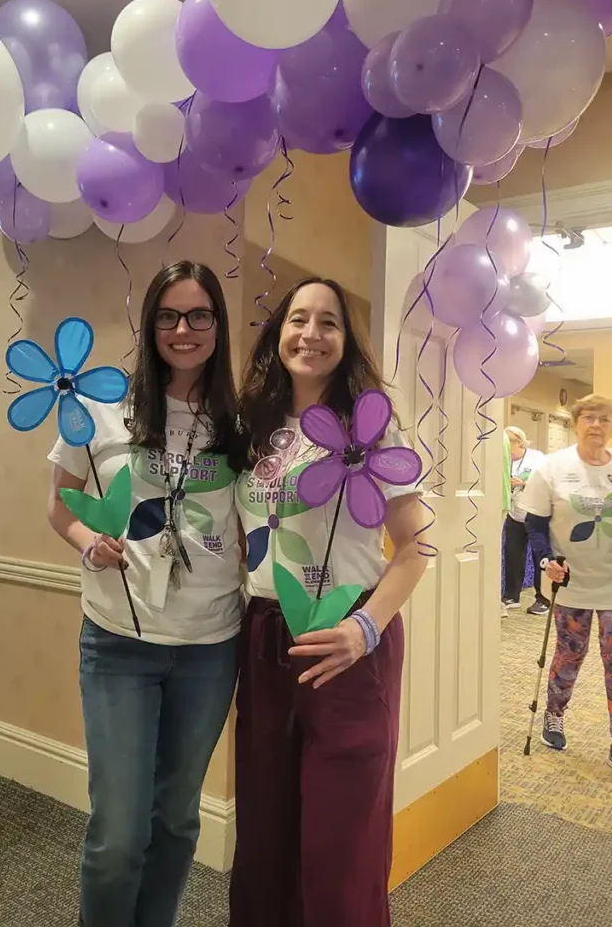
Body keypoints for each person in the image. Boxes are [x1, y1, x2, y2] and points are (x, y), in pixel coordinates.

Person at [47, 260, 243, 926]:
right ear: (150, 324)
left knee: (177, 820)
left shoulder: (239, 424)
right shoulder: (101, 408)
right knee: (118, 836)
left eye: (198, 316)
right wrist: (86, 542)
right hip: (118, 644)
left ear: (217, 326)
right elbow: (61, 506)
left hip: (211, 648)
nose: (182, 329)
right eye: (168, 315)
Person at [230, 277, 428, 927]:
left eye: (328, 323)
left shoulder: (370, 425)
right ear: (277, 332)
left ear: (346, 342)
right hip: (264, 640)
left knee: (340, 843)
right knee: (265, 831)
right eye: (298, 319)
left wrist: (365, 629)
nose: (310, 334)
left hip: (349, 645)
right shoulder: (249, 426)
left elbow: (414, 547)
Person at [521, 393, 612, 783]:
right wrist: (546, 559)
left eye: (604, 419)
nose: (595, 425)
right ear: (576, 423)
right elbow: (534, 525)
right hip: (571, 582)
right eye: (588, 417)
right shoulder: (552, 468)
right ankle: (555, 711)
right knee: (570, 655)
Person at [502, 426, 547, 614]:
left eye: (509, 444)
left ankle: (543, 599)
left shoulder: (538, 458)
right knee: (513, 556)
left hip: (537, 515)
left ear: (519, 442)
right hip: (515, 514)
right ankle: (512, 596)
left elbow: (547, 482)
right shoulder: (504, 459)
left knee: (540, 558)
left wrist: (523, 483)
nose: (506, 449)